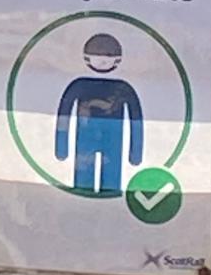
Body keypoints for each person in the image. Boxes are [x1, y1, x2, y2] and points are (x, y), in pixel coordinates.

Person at [54, 34, 144, 195]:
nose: (103, 58)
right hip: (87, 138)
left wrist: (135, 152)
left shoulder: (122, 89)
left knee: (111, 175)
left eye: (108, 53)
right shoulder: (80, 85)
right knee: (84, 176)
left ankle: (104, 193)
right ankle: (84, 192)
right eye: (98, 52)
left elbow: (136, 121)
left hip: (112, 139)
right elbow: (64, 115)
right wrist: (61, 148)